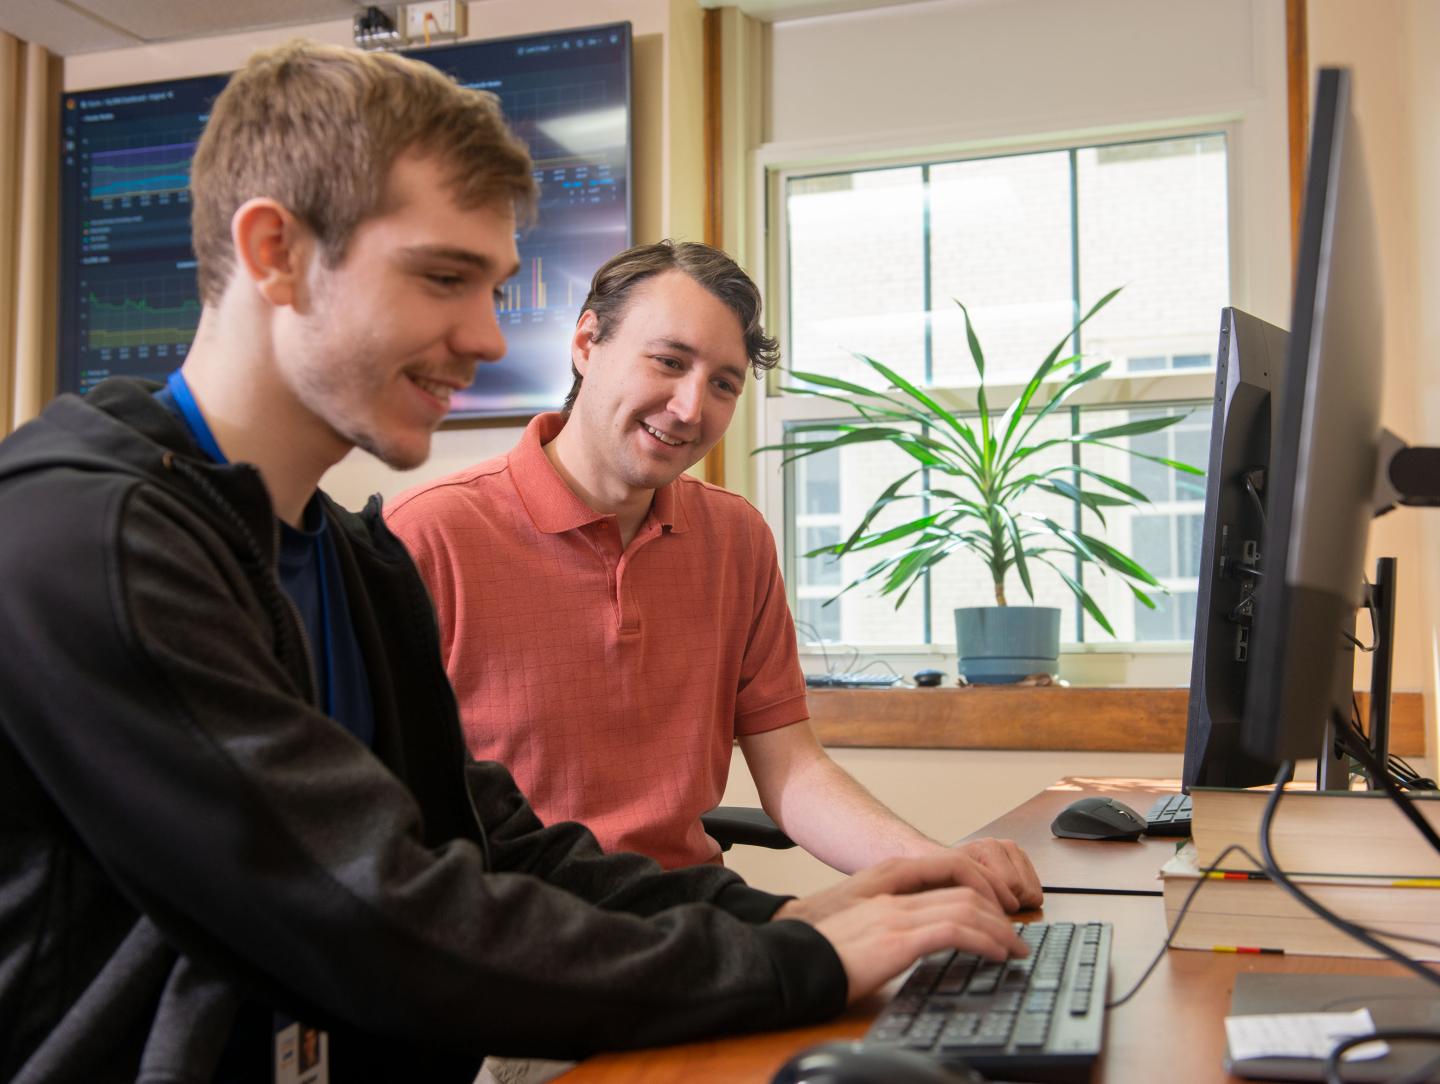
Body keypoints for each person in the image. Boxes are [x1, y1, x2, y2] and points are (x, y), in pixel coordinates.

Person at [0, 41, 1037, 1083]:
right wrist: (791, 959)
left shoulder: (352, 560)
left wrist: (801, 913)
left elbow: (501, 847)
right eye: (445, 277)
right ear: (274, 250)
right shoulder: (84, 539)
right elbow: (365, 909)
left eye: (496, 288)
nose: (491, 338)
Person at [386, 241, 1041, 880]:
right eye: (669, 362)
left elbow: (794, 769)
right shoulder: (425, 537)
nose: (691, 408)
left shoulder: (736, 539)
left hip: (699, 917)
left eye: (723, 384)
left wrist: (933, 864)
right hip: (522, 935)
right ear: (587, 344)